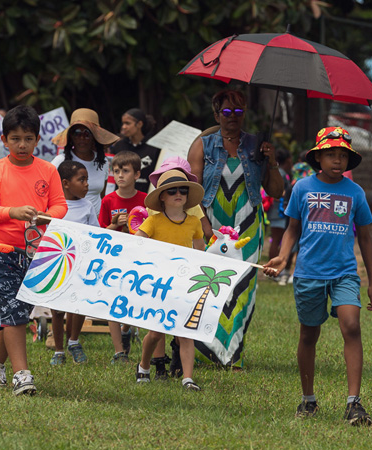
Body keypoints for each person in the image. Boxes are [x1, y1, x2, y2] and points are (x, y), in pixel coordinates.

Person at [262, 126, 372, 424]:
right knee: (308, 333)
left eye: (342, 155)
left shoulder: (355, 192)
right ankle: (308, 399)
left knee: (351, 325)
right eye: (331, 154)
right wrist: (283, 257)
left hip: (344, 273)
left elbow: (365, 238)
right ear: (318, 158)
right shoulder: (302, 188)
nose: (337, 160)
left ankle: (354, 403)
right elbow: (292, 229)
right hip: (309, 273)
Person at [187, 89, 285, 368]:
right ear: (216, 114)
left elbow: (276, 192)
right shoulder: (203, 145)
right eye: (227, 112)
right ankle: (210, 346)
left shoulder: (257, 145)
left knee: (242, 285)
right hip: (211, 223)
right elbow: (192, 192)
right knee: (210, 285)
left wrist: (272, 161)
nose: (233, 118)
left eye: (239, 112)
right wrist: (205, 226)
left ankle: (232, 355)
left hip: (248, 225)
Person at [0, 105, 68, 396]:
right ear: (4, 140)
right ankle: (22, 375)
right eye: (15, 138)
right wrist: (13, 212)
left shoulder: (47, 170)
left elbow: (60, 205)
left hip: (36, 252)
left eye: (27, 138)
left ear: (36, 140)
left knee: (17, 311)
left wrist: (46, 216)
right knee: (14, 311)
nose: (21, 144)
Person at [135, 170, 206, 390]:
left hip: (184, 284)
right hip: (159, 285)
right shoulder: (153, 221)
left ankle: (187, 378)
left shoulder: (194, 222)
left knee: (185, 332)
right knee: (156, 333)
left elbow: (200, 252)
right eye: (172, 190)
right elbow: (136, 245)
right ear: (162, 197)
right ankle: (143, 366)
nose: (178, 194)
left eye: (183, 190)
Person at [98, 151, 148, 364]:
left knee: (134, 299)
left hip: (137, 258)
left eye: (125, 171)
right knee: (112, 302)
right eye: (116, 171)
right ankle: (119, 351)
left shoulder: (146, 200)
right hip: (114, 258)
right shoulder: (108, 200)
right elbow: (101, 232)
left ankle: (127, 330)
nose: (120, 175)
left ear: (137, 174)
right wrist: (115, 224)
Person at [49, 160, 99, 366]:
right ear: (66, 183)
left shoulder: (87, 206)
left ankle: (74, 341)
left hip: (81, 265)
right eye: (82, 179)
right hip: (58, 265)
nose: (87, 184)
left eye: (87, 179)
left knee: (77, 306)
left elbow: (96, 233)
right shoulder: (53, 206)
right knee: (57, 310)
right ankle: (58, 350)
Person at [50, 108, 120, 215]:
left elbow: (102, 196)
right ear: (71, 137)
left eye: (87, 133)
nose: (82, 137)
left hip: (94, 224)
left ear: (94, 137)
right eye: (77, 133)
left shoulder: (103, 162)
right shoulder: (60, 161)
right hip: (66, 222)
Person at [110, 108, 161, 193]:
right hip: (122, 198)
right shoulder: (119, 146)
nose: (123, 127)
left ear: (139, 124)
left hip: (147, 199)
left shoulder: (155, 147)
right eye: (123, 123)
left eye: (127, 123)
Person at [266, 148, 294, 285]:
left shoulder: (281, 173)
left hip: (276, 212)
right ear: (287, 160)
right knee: (277, 240)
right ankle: (274, 271)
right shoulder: (281, 174)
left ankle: (276, 271)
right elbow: (277, 192)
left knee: (276, 241)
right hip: (279, 212)